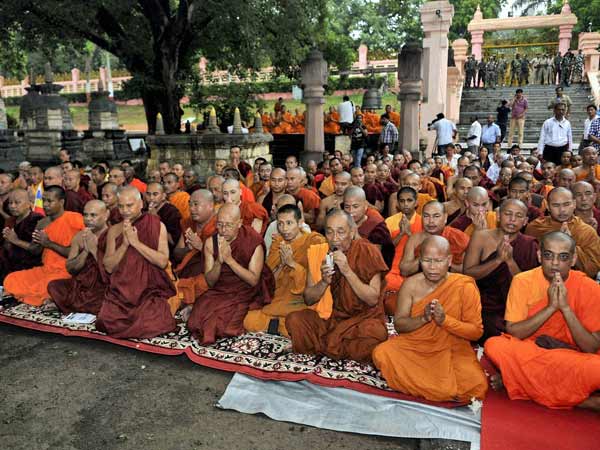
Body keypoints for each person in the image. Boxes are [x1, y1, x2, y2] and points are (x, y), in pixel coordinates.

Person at [485, 232, 600, 411]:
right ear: (539, 256)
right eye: (548, 255)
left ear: (573, 259)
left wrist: (565, 308)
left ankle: (517, 380)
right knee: (494, 346)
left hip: (573, 357)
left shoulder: (590, 288)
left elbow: (591, 347)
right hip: (534, 351)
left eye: (563, 257)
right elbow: (514, 332)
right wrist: (551, 308)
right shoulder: (522, 281)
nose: (555, 263)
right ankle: (583, 401)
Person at [373, 236, 488, 402]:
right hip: (416, 346)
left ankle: (430, 386)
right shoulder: (410, 285)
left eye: (439, 261)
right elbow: (399, 325)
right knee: (382, 353)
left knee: (475, 385)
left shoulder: (464, 286)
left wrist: (445, 320)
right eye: (427, 261)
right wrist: (423, 318)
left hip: (452, 347)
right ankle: (439, 388)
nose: (433, 267)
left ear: (449, 260)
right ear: (420, 260)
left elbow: (476, 332)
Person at [286, 210, 389, 363]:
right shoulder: (321, 254)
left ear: (352, 232)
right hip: (334, 321)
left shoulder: (368, 251)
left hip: (362, 321)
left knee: (375, 333)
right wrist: (324, 282)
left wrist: (347, 271)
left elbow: (372, 298)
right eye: (329, 232)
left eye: (341, 232)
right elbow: (308, 299)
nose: (334, 238)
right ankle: (336, 346)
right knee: (295, 320)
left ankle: (329, 346)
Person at [186, 204, 274, 344]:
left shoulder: (253, 241)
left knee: (222, 327)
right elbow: (210, 282)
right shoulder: (211, 243)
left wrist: (230, 261)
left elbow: (253, 280)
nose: (223, 230)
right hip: (220, 290)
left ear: (239, 223)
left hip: (245, 291)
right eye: (220, 224)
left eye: (228, 225)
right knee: (194, 323)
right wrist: (219, 262)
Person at [96, 187, 177, 339]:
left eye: (129, 205)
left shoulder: (156, 225)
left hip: (148, 290)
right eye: (121, 206)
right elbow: (108, 266)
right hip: (121, 291)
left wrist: (136, 243)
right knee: (104, 321)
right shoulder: (114, 230)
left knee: (155, 322)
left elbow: (162, 261)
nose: (125, 210)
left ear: (140, 204)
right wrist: (125, 244)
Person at [243, 204, 325, 336]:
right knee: (247, 318)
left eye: (289, 223)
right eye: (280, 224)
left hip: (298, 300)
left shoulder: (314, 242)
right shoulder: (278, 243)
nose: (284, 228)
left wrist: (292, 263)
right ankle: (277, 324)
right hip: (277, 298)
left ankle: (276, 324)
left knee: (298, 323)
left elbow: (313, 283)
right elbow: (268, 280)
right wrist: (282, 264)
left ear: (300, 223)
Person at [463, 199, 539, 341]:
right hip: (484, 305)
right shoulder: (481, 236)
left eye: (518, 216)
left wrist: (510, 262)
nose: (512, 219)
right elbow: (468, 273)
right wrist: (497, 260)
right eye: (508, 214)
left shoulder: (530, 244)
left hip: (516, 307)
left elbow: (529, 288)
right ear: (498, 216)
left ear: (525, 221)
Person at [3, 186, 85, 306]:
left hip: (66, 271)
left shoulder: (75, 219)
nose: (45, 205)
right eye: (43, 200)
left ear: (61, 202)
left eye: (49, 201)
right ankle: (39, 297)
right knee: (12, 279)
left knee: (48, 286)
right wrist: (14, 240)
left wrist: (49, 244)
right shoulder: (42, 223)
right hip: (46, 269)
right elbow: (35, 250)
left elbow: (74, 253)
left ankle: (39, 297)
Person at [47, 200, 110, 314]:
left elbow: (111, 272)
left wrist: (94, 250)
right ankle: (79, 306)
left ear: (106, 215)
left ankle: (73, 306)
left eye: (93, 215)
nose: (88, 219)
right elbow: (70, 269)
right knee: (54, 286)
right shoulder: (79, 236)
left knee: (111, 297)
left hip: (102, 286)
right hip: (81, 286)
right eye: (85, 215)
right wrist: (85, 251)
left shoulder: (112, 236)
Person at [525, 187, 600, 278]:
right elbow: (527, 264)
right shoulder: (535, 227)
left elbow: (593, 270)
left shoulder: (586, 232)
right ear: (548, 206)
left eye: (566, 204)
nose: (562, 210)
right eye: (556, 205)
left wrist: (570, 244)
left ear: (574, 204)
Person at [169, 190, 217, 315]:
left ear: (210, 206)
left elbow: (224, 258)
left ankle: (189, 303)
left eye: (196, 204)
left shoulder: (220, 224)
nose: (191, 209)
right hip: (187, 270)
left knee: (205, 283)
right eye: (190, 204)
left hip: (209, 272)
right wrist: (189, 249)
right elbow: (177, 254)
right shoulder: (188, 223)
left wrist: (201, 247)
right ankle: (185, 302)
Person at [400, 201, 470, 277]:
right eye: (426, 216)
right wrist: (425, 256)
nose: (431, 221)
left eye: (436, 216)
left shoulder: (457, 237)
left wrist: (442, 262)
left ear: (445, 217)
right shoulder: (415, 239)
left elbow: (468, 270)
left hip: (452, 281)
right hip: (422, 282)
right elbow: (404, 271)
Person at [383, 187, 423, 314]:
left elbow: (423, 250)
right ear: (398, 204)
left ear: (416, 202)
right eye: (402, 201)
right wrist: (400, 234)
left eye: (409, 200)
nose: (406, 204)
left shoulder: (423, 222)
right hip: (393, 270)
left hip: (413, 271)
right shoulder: (390, 222)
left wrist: (410, 234)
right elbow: (386, 249)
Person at [343, 186, 394, 268]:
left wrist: (356, 235)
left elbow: (375, 259)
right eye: (347, 207)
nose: (351, 211)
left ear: (365, 206)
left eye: (355, 206)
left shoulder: (377, 226)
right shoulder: (342, 220)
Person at [0, 189, 44, 283]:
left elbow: (36, 249)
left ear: (29, 204)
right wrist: (7, 242)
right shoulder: (11, 220)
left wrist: (15, 240)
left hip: (29, 266)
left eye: (17, 202)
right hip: (9, 264)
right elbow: (7, 247)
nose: (12, 206)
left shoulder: (37, 220)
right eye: (10, 203)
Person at [145, 182, 182, 257]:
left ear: (163, 196)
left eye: (155, 194)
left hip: (165, 254)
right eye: (148, 194)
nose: (151, 198)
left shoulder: (172, 212)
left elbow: (173, 241)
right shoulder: (144, 210)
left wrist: (157, 220)